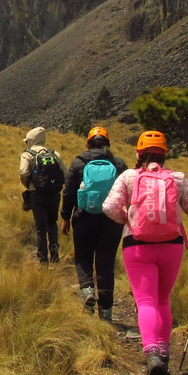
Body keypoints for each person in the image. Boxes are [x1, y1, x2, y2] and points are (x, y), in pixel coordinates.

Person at [102, 130, 188, 375]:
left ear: (139, 154)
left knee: (146, 301)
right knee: (163, 299)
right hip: (170, 246)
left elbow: (109, 207)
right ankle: (163, 354)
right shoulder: (178, 179)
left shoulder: (128, 177)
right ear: (164, 153)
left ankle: (151, 352)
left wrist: (127, 218)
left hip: (137, 246)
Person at [60, 126, 127, 321]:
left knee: (82, 257)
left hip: (84, 217)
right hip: (111, 220)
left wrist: (65, 217)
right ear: (107, 143)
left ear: (88, 143)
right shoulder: (118, 163)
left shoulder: (79, 163)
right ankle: (105, 312)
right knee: (106, 264)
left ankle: (88, 290)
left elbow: (69, 192)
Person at [19, 126, 66, 265]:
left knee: (40, 227)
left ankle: (43, 258)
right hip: (54, 194)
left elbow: (23, 173)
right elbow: (65, 173)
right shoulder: (54, 154)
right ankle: (55, 253)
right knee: (52, 223)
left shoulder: (27, 154)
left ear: (31, 140)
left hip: (37, 194)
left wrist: (28, 185)